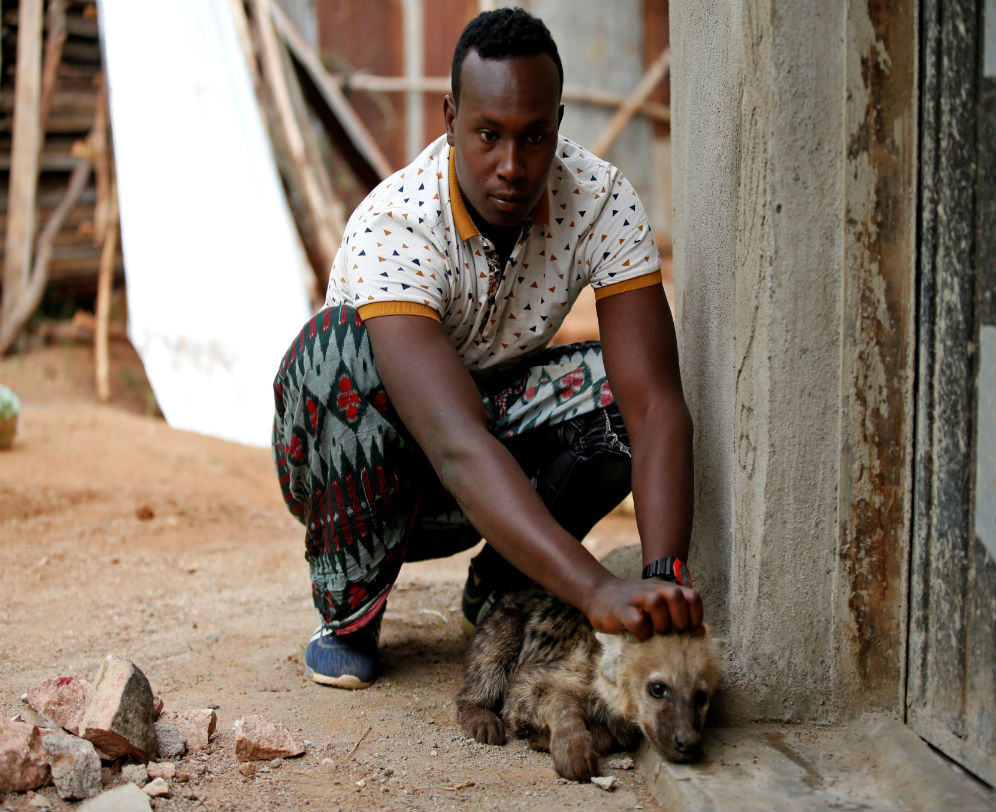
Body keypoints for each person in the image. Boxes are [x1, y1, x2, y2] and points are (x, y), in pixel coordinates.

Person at [272, 7, 702, 690]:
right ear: (450, 119)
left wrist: (663, 580)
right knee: (335, 349)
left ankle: (503, 587)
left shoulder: (600, 200)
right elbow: (453, 442)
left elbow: (653, 406)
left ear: (558, 123)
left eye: (534, 136)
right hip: (369, 470)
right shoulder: (398, 222)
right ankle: (349, 608)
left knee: (618, 391)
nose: (512, 165)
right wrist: (594, 588)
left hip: (489, 432)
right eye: (488, 135)